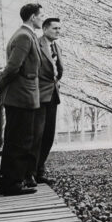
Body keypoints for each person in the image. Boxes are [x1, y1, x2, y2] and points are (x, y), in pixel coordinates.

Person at [0, 3, 44, 195]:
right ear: (32, 17)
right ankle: (11, 184)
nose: (42, 18)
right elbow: (14, 66)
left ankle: (14, 181)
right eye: (41, 15)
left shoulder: (27, 35)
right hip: (21, 96)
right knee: (18, 141)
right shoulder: (24, 36)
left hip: (24, 96)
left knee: (20, 139)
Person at [32, 18, 63, 184]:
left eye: (59, 28)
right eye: (54, 28)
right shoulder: (36, 44)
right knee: (37, 135)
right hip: (39, 96)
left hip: (53, 96)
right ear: (44, 29)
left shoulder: (56, 46)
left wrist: (57, 82)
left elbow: (58, 70)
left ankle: (39, 171)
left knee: (48, 136)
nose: (58, 31)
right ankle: (31, 173)